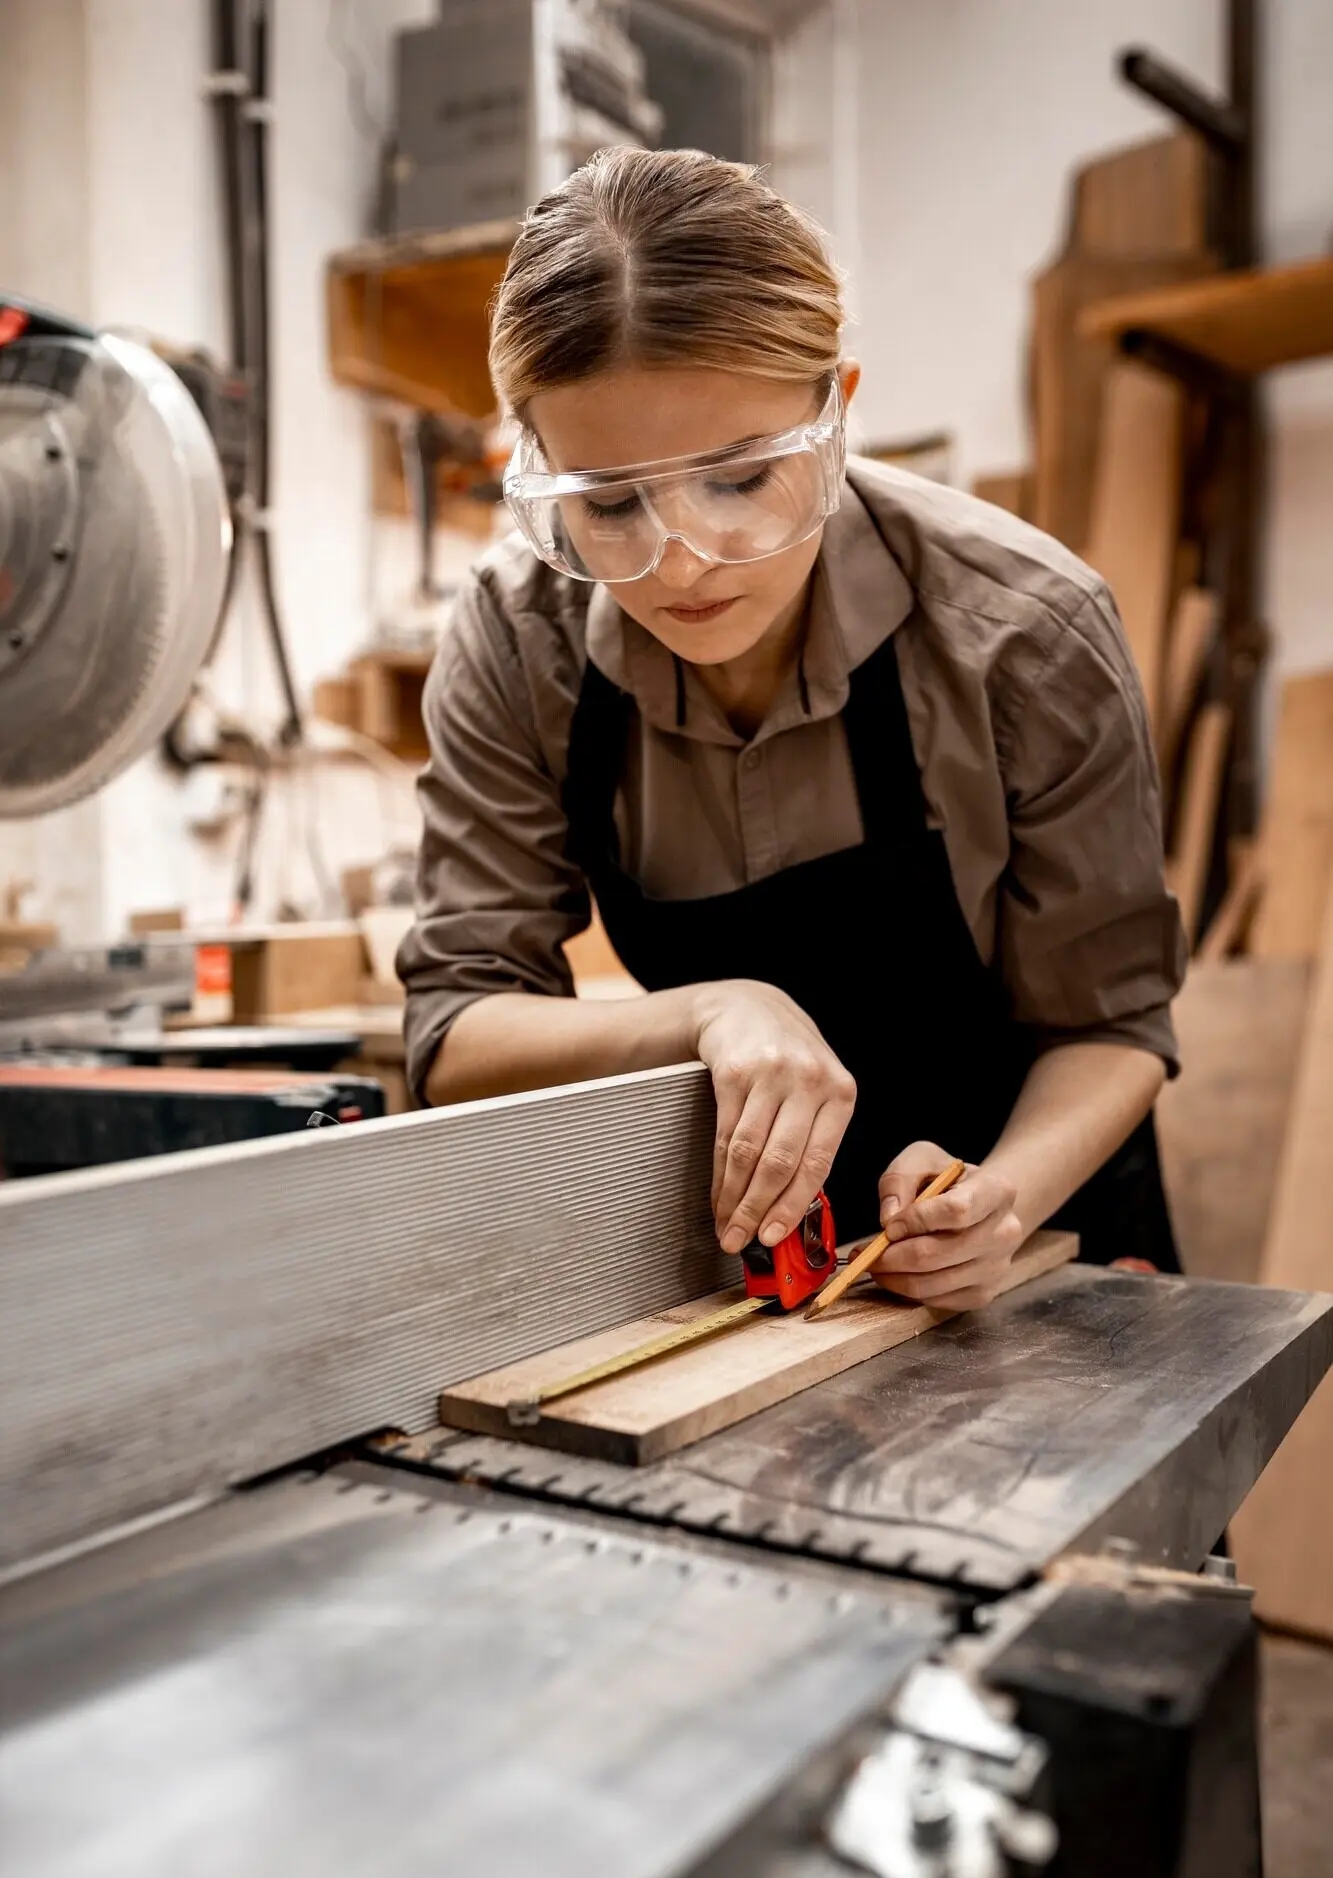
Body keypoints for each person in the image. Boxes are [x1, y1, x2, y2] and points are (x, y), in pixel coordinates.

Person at [398, 146, 1187, 1306]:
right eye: (607, 503)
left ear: (835, 415)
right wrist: (717, 1009)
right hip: (749, 1272)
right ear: (536, 467)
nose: (683, 556)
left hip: (1037, 1228)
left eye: (737, 478)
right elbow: (455, 1028)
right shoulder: (521, 642)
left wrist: (997, 1200)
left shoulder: (1022, 632)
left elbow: (1111, 1022)